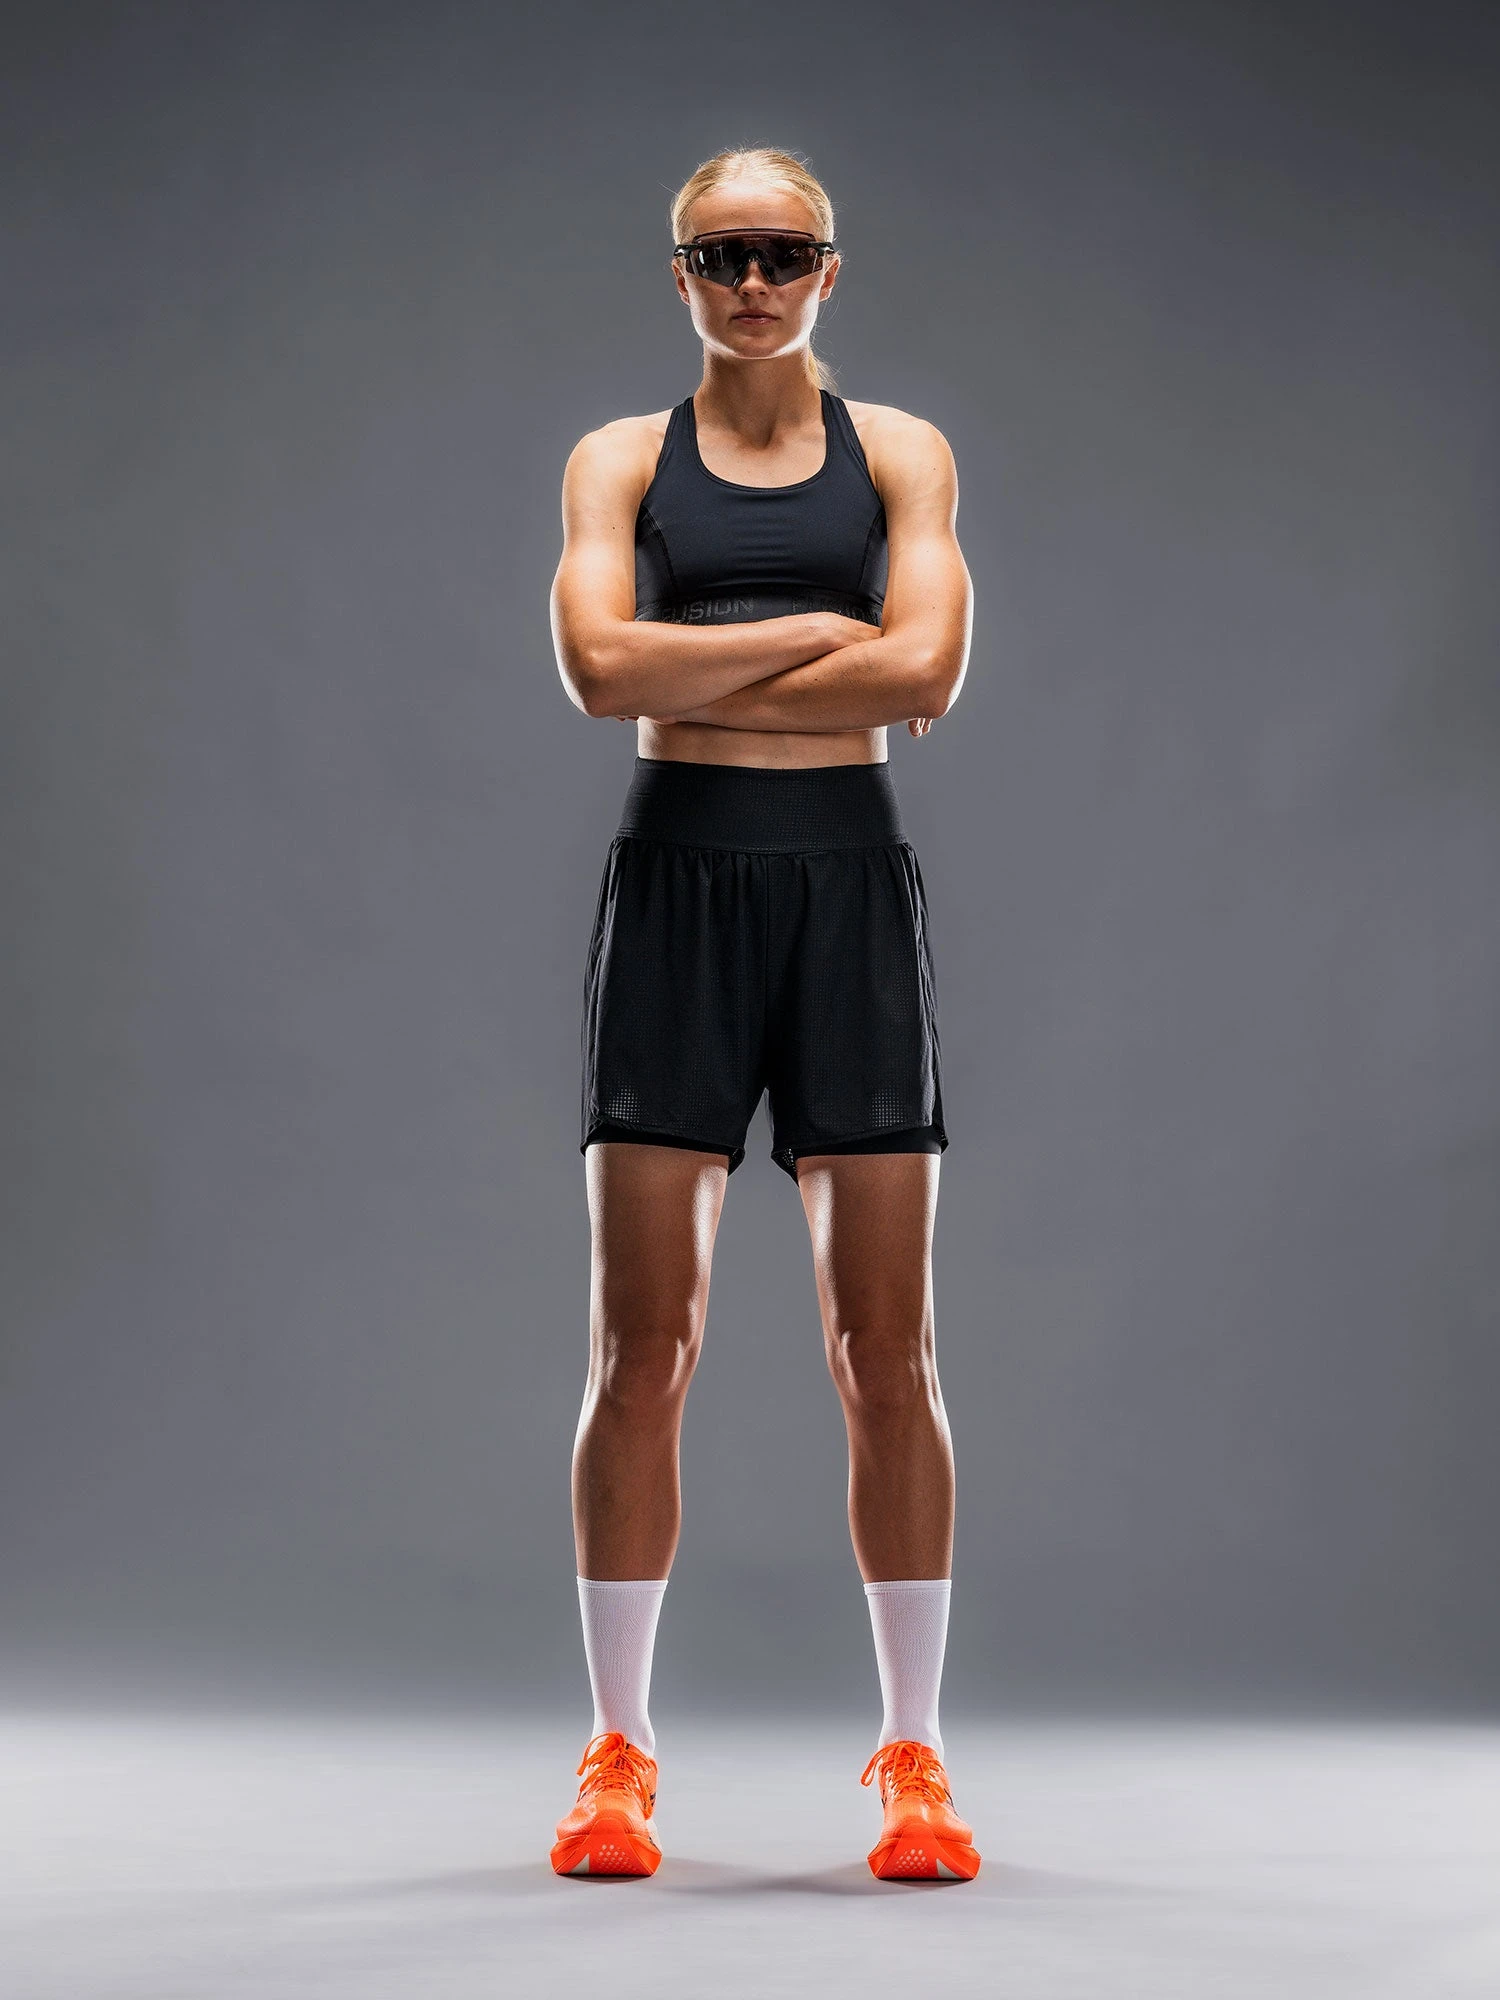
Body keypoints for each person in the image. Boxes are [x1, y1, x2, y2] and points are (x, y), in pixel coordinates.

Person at [547, 147, 977, 1882]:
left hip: (845, 892)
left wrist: (703, 655)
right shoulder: (618, 459)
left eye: (781, 254)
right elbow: (597, 669)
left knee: (888, 1353)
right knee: (641, 1351)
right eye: (721, 254)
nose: (751, 282)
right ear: (680, 274)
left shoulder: (904, 453)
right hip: (679, 895)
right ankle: (617, 1757)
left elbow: (928, 667)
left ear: (827, 270)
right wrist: (818, 628)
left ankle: (916, 1760)